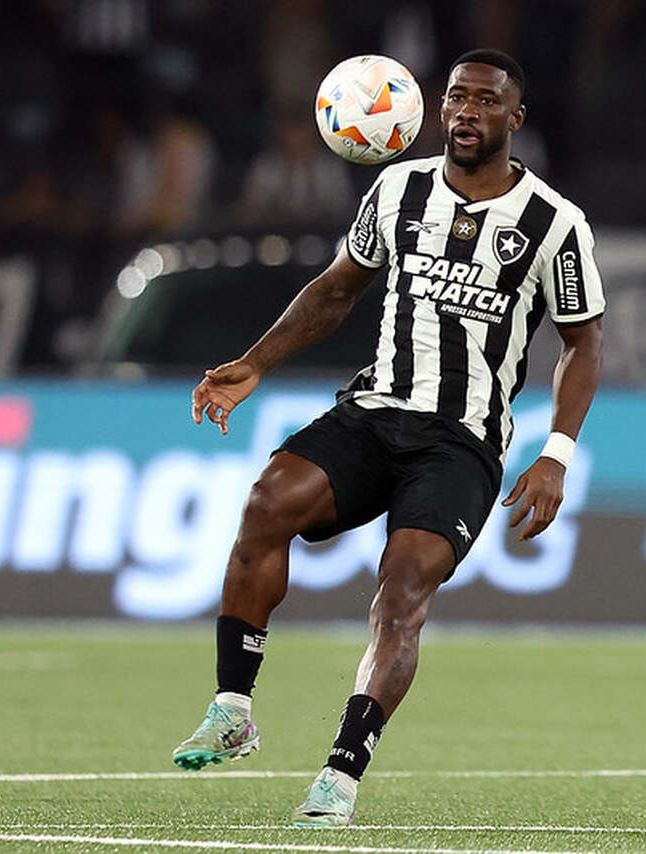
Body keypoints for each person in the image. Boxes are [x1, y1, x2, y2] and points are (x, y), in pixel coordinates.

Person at [171, 49, 605, 827]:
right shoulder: (398, 188)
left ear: (515, 117)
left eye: (486, 101)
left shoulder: (554, 223)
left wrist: (556, 453)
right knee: (267, 503)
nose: (468, 111)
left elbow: (583, 342)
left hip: (461, 441)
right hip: (373, 412)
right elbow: (338, 288)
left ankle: (341, 774)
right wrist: (256, 362)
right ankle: (232, 709)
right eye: (457, 97)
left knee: (401, 592)